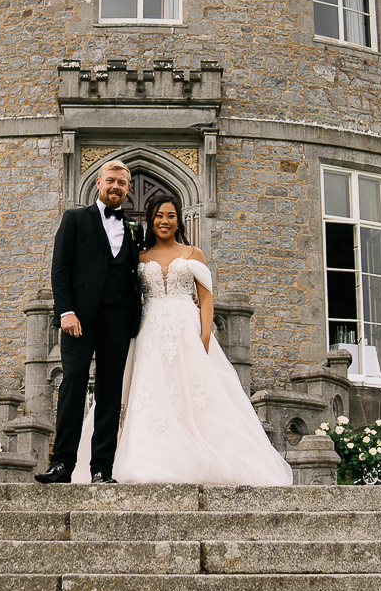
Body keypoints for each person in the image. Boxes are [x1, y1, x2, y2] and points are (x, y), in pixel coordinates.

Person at [113, 195, 293, 486]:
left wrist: (205, 334)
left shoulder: (194, 253)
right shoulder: (141, 257)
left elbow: (207, 299)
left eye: (171, 216)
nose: (165, 221)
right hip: (151, 330)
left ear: (179, 220)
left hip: (187, 327)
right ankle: (152, 457)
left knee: (196, 392)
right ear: (151, 219)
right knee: (153, 390)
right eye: (159, 216)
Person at [38, 160, 141, 484]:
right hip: (78, 320)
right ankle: (62, 464)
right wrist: (66, 312)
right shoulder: (75, 219)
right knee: (73, 385)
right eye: (111, 180)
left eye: (122, 183)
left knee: (111, 394)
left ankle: (101, 470)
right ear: (98, 182)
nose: (116, 187)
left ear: (127, 189)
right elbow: (61, 269)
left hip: (119, 321)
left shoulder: (134, 228)